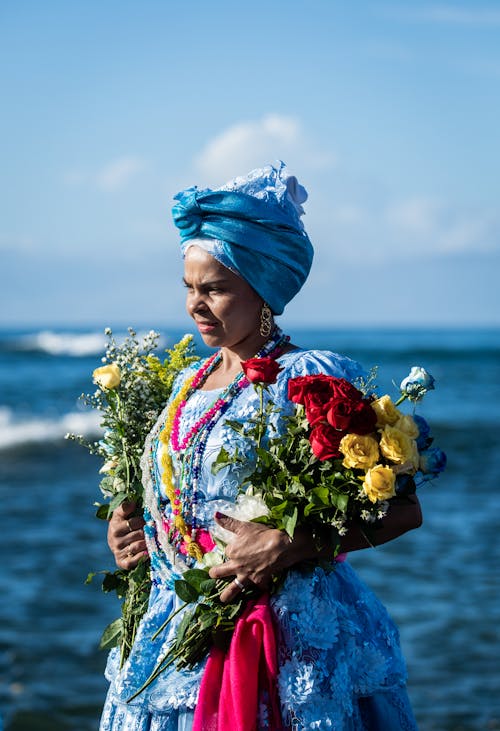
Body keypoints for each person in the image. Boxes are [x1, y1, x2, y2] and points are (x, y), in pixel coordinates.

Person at [101, 162, 422, 730]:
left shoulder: (311, 379)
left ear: (263, 288)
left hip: (287, 640)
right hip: (175, 635)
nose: (196, 305)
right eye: (189, 288)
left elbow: (402, 508)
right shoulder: (184, 386)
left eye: (216, 289)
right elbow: (182, 499)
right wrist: (137, 530)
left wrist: (289, 544)